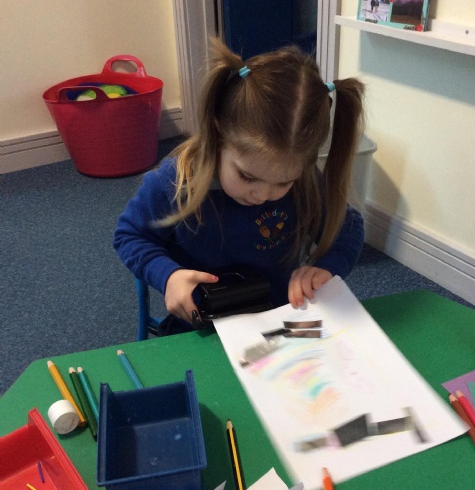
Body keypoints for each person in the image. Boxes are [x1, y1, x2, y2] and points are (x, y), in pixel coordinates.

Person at [114, 39, 365, 333]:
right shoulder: (173, 182)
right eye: (247, 177)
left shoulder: (306, 184)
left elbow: (348, 228)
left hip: (277, 321)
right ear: (218, 133)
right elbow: (130, 236)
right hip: (199, 326)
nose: (263, 195)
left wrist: (327, 267)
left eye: (283, 182)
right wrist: (167, 275)